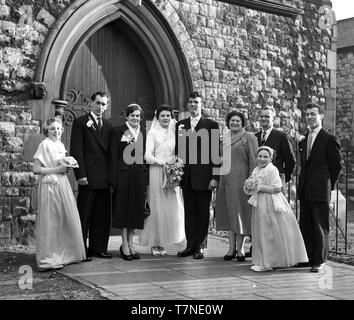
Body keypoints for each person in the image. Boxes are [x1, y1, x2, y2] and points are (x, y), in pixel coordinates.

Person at [33, 117, 86, 271]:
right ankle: (49, 258)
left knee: (64, 217)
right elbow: (36, 169)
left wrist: (66, 168)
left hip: (62, 184)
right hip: (50, 185)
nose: (56, 131)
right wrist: (56, 170)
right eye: (52, 129)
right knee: (52, 220)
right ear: (46, 131)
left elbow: (61, 165)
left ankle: (65, 254)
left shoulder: (61, 144)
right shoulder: (44, 144)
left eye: (58, 128)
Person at [297, 103, 343, 273]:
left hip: (320, 188)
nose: (309, 117)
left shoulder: (330, 139)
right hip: (305, 188)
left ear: (321, 116)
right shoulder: (304, 138)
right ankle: (308, 257)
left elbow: (337, 166)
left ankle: (320, 260)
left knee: (319, 226)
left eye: (313, 114)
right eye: (307, 114)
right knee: (306, 225)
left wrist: (329, 185)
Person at [247, 146, 308, 272]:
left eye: (265, 156)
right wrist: (250, 186)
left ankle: (268, 263)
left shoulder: (272, 169)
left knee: (268, 231)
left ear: (271, 158)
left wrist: (259, 187)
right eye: (260, 156)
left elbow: (277, 188)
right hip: (259, 202)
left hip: (270, 203)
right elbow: (253, 184)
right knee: (260, 230)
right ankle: (261, 260)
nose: (262, 159)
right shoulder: (256, 169)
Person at [175, 91, 220, 259]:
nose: (194, 104)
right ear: (188, 104)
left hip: (205, 177)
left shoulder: (211, 125)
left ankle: (200, 246)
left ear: (201, 104)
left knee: (203, 212)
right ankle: (190, 245)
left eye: (196, 102)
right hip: (187, 177)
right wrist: (177, 173)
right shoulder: (180, 125)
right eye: (191, 102)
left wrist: (215, 177)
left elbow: (216, 153)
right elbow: (179, 152)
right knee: (189, 212)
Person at [70, 91, 112, 259]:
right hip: (88, 177)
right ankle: (82, 250)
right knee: (84, 214)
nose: (100, 107)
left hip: (104, 178)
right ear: (91, 103)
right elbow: (76, 150)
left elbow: (112, 153)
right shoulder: (81, 123)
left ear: (107, 106)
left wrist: (112, 177)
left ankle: (99, 248)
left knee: (101, 216)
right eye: (98, 103)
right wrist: (80, 174)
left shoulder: (108, 125)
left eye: (103, 104)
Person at [138, 105, 185, 256]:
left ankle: (166, 241)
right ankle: (156, 243)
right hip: (157, 171)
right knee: (157, 206)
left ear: (171, 117)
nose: (165, 118)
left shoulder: (176, 132)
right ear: (158, 117)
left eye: (168, 115)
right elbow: (147, 155)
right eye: (162, 115)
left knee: (172, 206)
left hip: (172, 172)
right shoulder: (152, 133)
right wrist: (162, 163)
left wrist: (176, 164)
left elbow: (181, 152)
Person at [215, 111, 258, 262]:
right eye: (232, 121)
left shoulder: (249, 137)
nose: (234, 123)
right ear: (228, 122)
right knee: (229, 215)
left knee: (241, 214)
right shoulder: (224, 138)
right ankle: (230, 248)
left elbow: (254, 161)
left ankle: (240, 249)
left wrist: (251, 182)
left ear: (242, 123)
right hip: (225, 181)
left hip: (242, 183)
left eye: (237, 121)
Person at [109, 103, 149, 261]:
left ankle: (131, 243)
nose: (135, 118)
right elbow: (113, 156)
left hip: (138, 177)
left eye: (138, 116)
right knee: (124, 211)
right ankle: (124, 244)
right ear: (126, 116)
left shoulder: (143, 132)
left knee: (135, 211)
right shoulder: (117, 131)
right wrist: (113, 178)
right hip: (123, 176)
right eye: (132, 115)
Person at [256, 106, 295, 187]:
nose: (263, 118)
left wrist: (283, 178)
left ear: (273, 119)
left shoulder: (281, 136)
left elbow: (290, 160)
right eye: (261, 116)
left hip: (275, 180)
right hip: (259, 180)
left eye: (267, 116)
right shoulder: (255, 137)